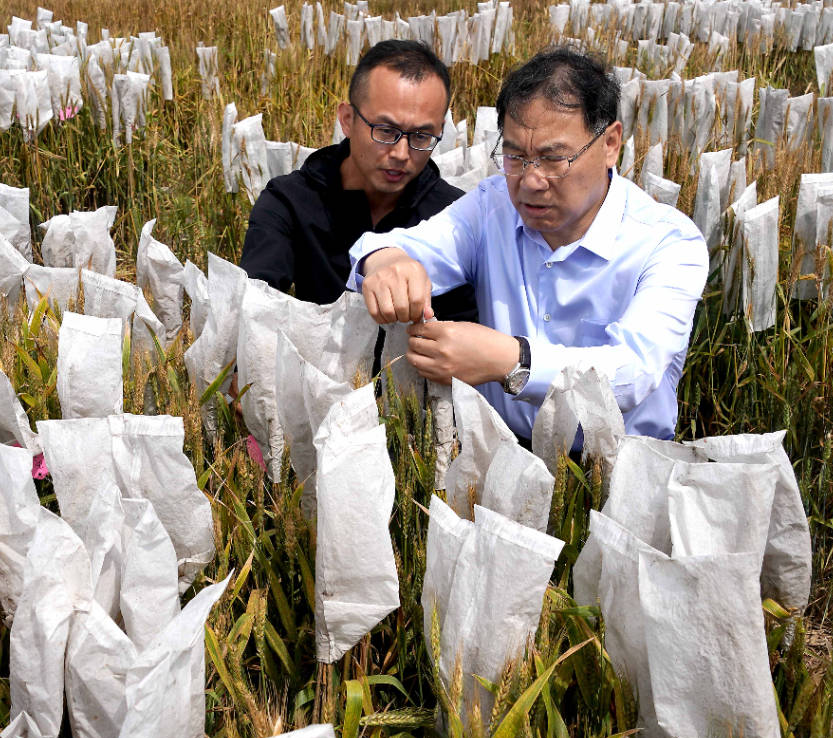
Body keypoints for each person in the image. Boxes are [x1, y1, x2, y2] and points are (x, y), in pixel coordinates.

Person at [347, 47, 708, 442]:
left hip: (620, 469)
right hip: (502, 458)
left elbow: (634, 371)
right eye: (515, 156)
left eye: (553, 159)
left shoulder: (670, 243)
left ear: (610, 144)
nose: (531, 180)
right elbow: (396, 247)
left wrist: (511, 360)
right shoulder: (492, 206)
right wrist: (386, 263)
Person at [240, 38, 477, 322]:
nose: (401, 154)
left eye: (421, 137)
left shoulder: (454, 216)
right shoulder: (289, 201)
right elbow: (255, 305)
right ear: (347, 119)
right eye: (386, 130)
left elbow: (468, 324)